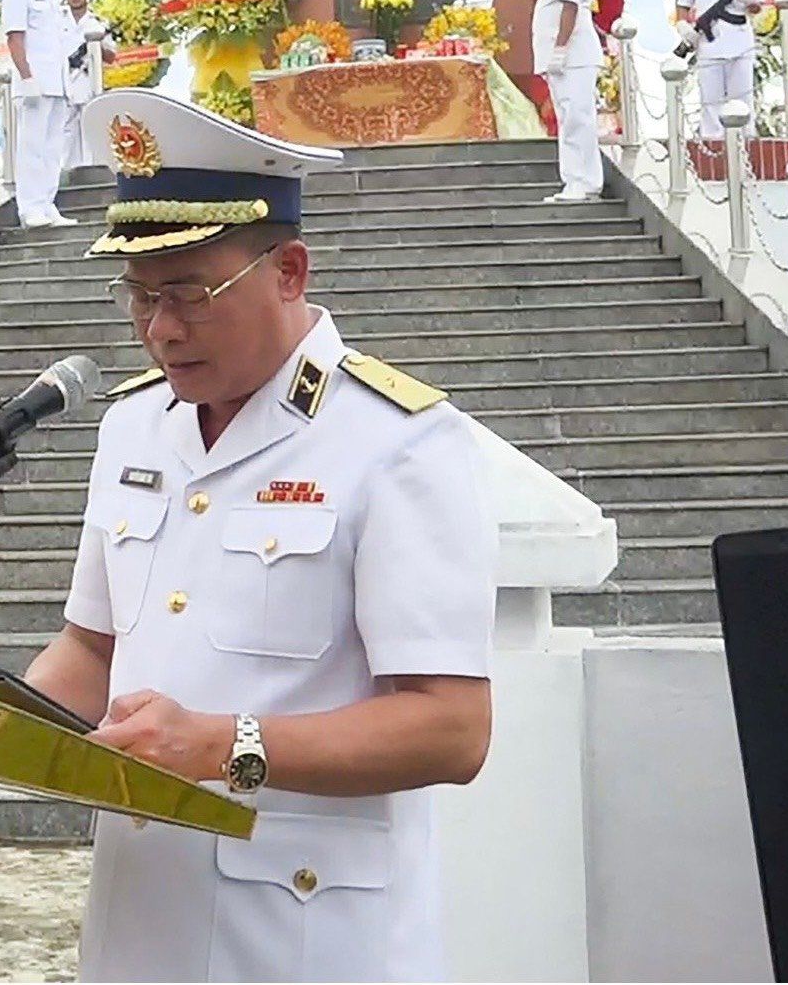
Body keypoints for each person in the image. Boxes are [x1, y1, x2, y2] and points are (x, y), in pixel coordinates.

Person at [25, 89, 497, 982]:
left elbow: (452, 728)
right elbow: (91, 648)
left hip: (304, 938)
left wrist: (224, 745)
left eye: (190, 293)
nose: (161, 329)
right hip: (139, 925)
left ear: (288, 271)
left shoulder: (398, 440)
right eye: (139, 297)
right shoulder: (131, 428)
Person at [3, 0, 82, 227]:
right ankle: (30, 207)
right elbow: (15, 38)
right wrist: (26, 77)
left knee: (52, 148)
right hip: (34, 82)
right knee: (32, 147)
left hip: (58, 83)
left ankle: (48, 204)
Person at [532, 0, 605, 203]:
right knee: (569, 118)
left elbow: (569, 7)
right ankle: (577, 180)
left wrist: (560, 48)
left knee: (577, 117)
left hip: (573, 55)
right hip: (565, 55)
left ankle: (583, 181)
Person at [674, 0, 766, 139]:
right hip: (709, 43)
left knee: (742, 100)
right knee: (710, 102)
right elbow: (683, 5)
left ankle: (745, 145)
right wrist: (684, 28)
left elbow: (757, 7)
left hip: (739, 41)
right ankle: (713, 147)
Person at [61, 0, 119, 173]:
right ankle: (67, 171)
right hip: (65, 81)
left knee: (89, 125)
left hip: (88, 80)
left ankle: (91, 169)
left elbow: (112, 56)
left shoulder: (97, 23)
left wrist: (97, 47)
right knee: (65, 129)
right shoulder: (58, 23)